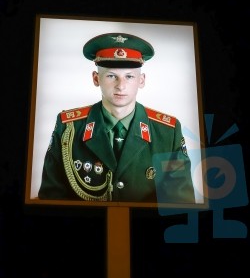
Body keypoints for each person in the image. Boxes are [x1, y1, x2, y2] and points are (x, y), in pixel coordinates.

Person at [38, 32, 195, 204]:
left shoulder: (167, 132)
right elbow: (51, 201)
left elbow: (181, 204)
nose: (121, 86)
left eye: (129, 76)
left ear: (141, 80)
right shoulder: (69, 127)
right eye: (111, 76)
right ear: (96, 78)